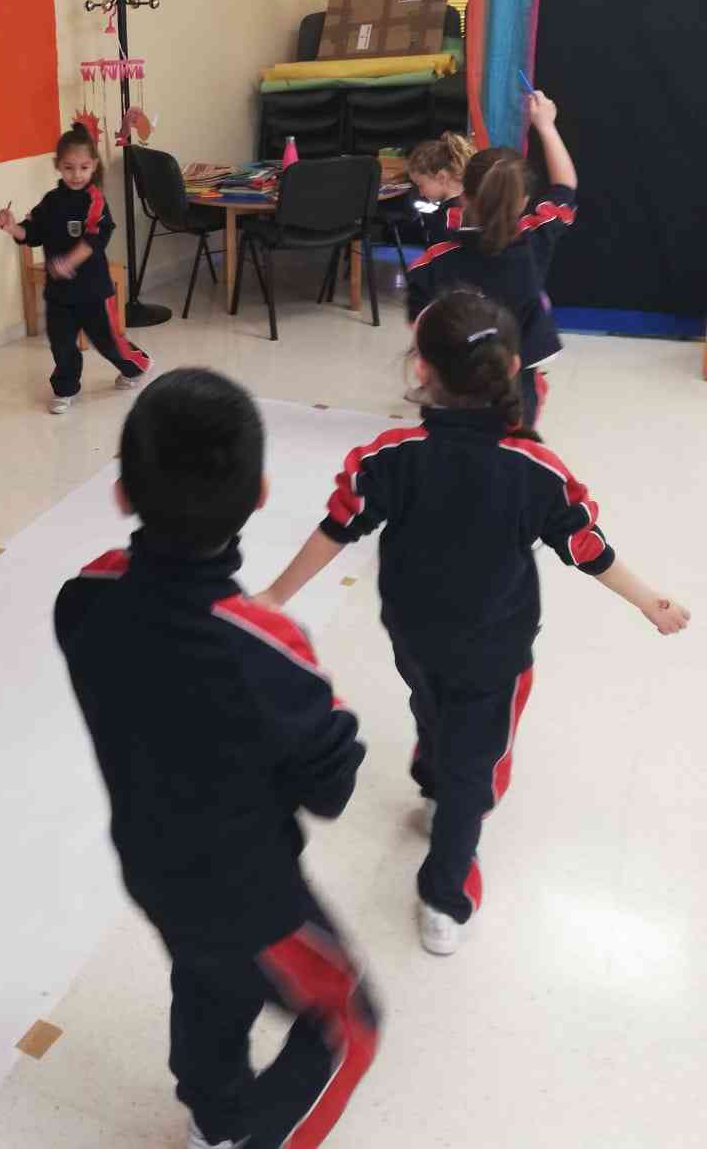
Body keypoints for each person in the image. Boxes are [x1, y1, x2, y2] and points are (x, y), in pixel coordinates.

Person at [259, 290, 690, 958]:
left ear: (421, 369)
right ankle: (445, 895)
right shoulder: (536, 470)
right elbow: (585, 546)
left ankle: (435, 782)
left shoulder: (391, 454)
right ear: (514, 366)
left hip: (411, 634)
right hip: (495, 653)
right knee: (475, 776)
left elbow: (339, 525)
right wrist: (647, 599)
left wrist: (274, 595)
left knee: (430, 705)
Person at [55, 368, 378, 1149]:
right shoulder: (268, 650)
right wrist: (329, 709)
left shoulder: (83, 597)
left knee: (207, 975)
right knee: (349, 1019)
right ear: (261, 493)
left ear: (123, 493)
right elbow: (330, 788)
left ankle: (213, 1112)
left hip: (150, 864)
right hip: (250, 894)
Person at [406, 92, 575, 427]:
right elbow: (565, 187)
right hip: (517, 383)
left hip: (452, 381)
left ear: (464, 195)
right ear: (524, 201)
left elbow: (421, 323)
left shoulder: (434, 258)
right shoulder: (535, 239)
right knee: (512, 437)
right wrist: (546, 125)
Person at [0, 125, 151, 415]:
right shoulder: (51, 201)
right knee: (61, 343)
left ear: (93, 165)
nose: (76, 174)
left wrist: (69, 262)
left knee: (107, 341)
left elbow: (95, 238)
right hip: (59, 293)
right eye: (68, 168)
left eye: (83, 167)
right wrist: (12, 227)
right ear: (58, 166)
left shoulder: (95, 200)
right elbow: (32, 233)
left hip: (93, 291)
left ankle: (136, 365)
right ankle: (65, 389)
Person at [405, 130, 473, 243]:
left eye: (420, 185)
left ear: (442, 177)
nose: (420, 192)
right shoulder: (473, 204)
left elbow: (445, 252)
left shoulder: (450, 217)